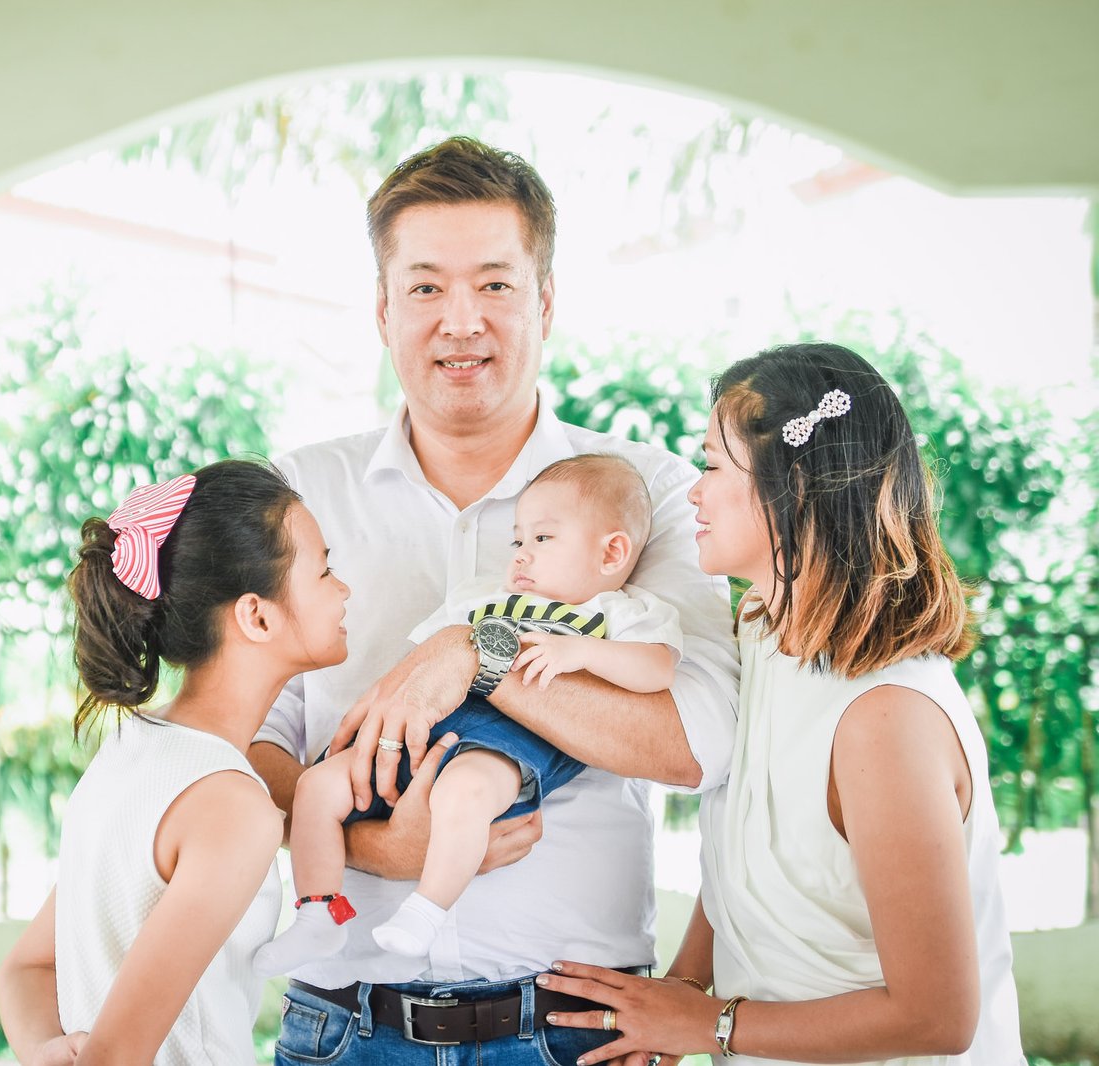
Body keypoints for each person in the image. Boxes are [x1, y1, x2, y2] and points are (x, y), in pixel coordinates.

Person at [249, 136, 740, 1066]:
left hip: (573, 1034)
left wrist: (477, 651)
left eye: (496, 285)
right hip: (343, 1030)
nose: (461, 321)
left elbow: (699, 741)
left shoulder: (646, 493)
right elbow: (243, 745)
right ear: (384, 309)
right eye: (426, 287)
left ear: (545, 302)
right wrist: (379, 851)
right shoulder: (297, 494)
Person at [538, 343, 1025, 1065]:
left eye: (711, 466)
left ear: (792, 485)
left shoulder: (886, 718)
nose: (693, 494)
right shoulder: (761, 632)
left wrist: (706, 1024)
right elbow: (745, 857)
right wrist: (682, 991)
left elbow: (937, 1018)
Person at [253, 454, 682, 976]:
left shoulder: (619, 611)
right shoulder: (485, 597)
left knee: (464, 792)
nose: (521, 555)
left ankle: (427, 909)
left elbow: (658, 669)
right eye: (517, 541)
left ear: (611, 552)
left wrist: (583, 652)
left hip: (518, 739)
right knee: (317, 786)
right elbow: (424, 660)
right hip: (438, 722)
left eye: (542, 539)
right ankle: (318, 915)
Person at [0, 459, 351, 1066]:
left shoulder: (131, 747)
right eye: (324, 570)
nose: (344, 590)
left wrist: (50, 1051)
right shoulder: (232, 806)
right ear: (257, 616)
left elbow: (27, 968)